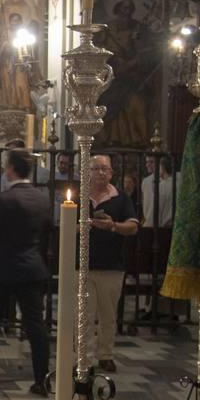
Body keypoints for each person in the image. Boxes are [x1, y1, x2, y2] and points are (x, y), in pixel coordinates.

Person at [0, 152, 51, 391]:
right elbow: (46, 231)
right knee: (35, 325)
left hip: (4, 268)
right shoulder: (41, 199)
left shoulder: (5, 199)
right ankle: (41, 377)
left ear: (11, 169)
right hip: (32, 268)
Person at [85, 154, 138, 373]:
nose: (100, 173)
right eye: (95, 168)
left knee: (108, 314)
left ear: (111, 173)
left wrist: (113, 225)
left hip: (112, 265)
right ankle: (84, 358)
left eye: (104, 169)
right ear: (88, 172)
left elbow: (133, 227)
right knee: (84, 315)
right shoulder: (79, 196)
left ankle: (105, 354)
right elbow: (64, 224)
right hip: (84, 265)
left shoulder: (122, 199)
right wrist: (83, 226)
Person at [142, 153, 176, 228]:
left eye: (151, 162)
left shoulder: (170, 182)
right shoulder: (147, 181)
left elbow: (154, 210)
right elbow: (147, 207)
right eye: (147, 162)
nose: (147, 165)